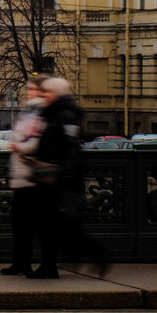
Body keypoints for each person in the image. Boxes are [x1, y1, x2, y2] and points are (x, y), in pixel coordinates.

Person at [28, 77, 108, 279]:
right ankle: (49, 266)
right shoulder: (53, 113)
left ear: (55, 94)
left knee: (58, 224)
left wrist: (65, 176)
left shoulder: (65, 115)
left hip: (60, 179)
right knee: (48, 224)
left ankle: (97, 253)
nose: (42, 96)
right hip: (49, 176)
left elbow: (71, 147)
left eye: (46, 93)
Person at [0, 73, 48, 276]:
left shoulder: (42, 112)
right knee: (19, 224)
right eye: (27, 89)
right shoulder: (29, 111)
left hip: (32, 176)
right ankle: (20, 262)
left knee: (30, 224)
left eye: (32, 89)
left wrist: (18, 146)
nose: (28, 93)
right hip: (21, 175)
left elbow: (38, 141)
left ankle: (32, 263)